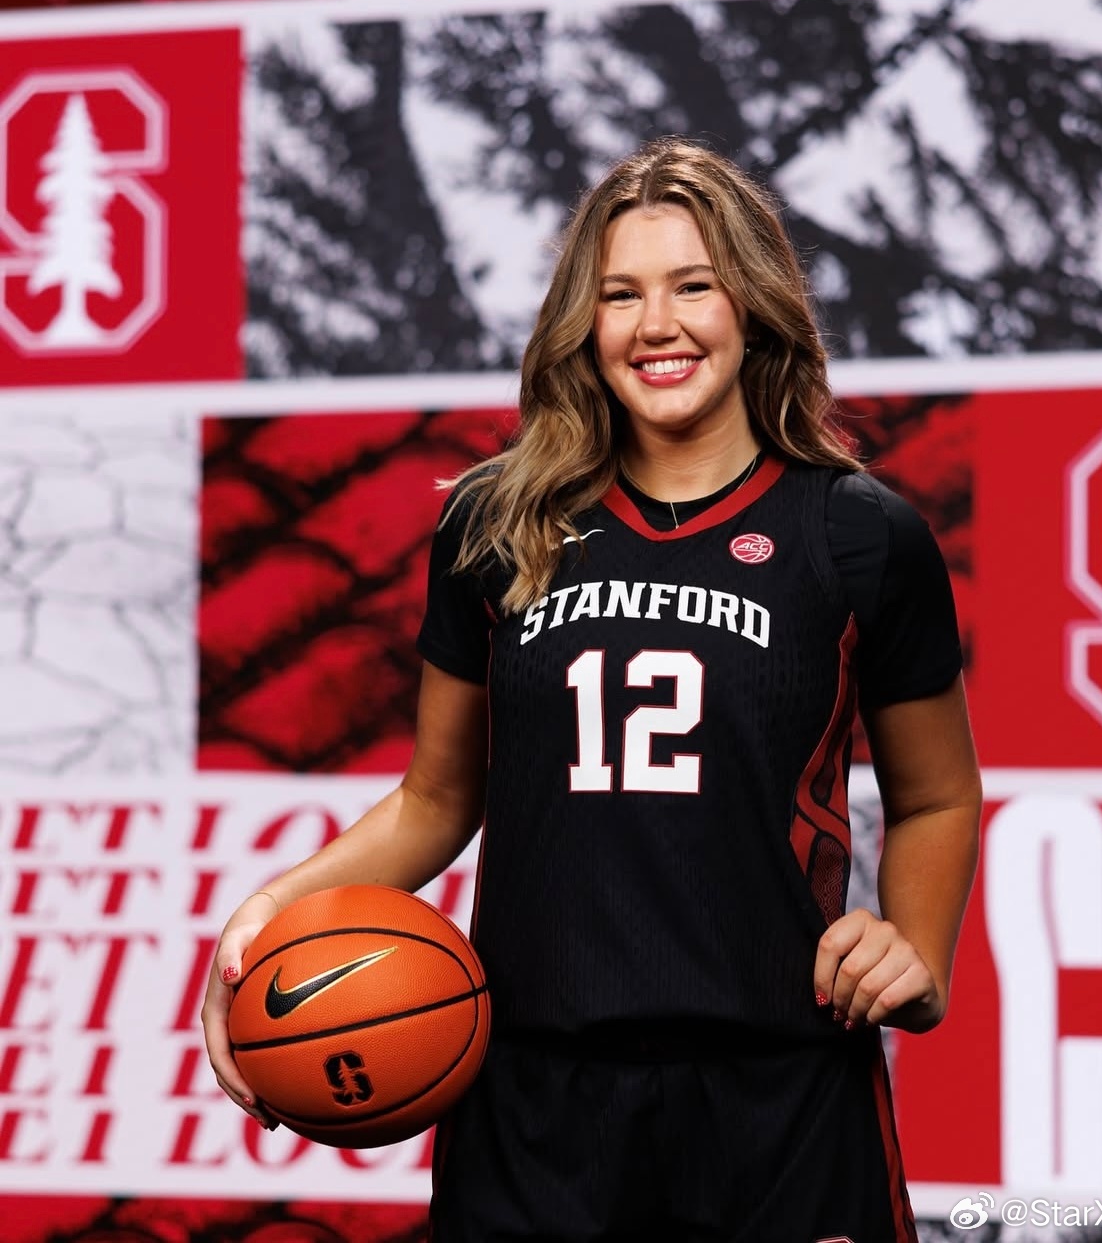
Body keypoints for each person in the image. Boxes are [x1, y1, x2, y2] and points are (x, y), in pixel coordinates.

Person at [204, 136, 982, 1242]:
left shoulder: (858, 535)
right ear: (584, 320)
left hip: (780, 1095)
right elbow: (436, 799)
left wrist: (919, 948)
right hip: (535, 1105)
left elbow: (938, 794)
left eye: (693, 286)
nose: (657, 324)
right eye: (620, 294)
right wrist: (272, 907)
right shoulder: (495, 522)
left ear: (753, 305)